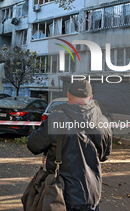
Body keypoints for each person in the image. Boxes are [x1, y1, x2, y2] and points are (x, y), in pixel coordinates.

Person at [27, 80, 112, 211]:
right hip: (90, 195)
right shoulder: (102, 122)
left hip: (58, 195)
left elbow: (33, 145)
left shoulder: (55, 119)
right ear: (90, 97)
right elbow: (104, 156)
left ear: (68, 95)